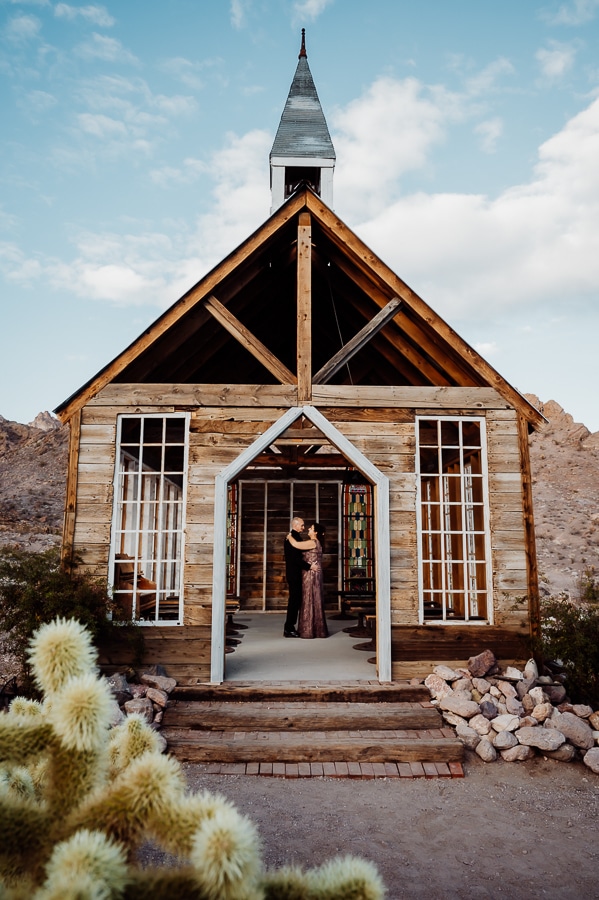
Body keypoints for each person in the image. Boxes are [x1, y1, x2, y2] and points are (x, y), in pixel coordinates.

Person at [286, 523, 329, 639]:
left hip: (310, 574)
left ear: (315, 532)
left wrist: (289, 536)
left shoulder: (312, 542)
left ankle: (309, 629)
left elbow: (295, 544)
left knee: (309, 599)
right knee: (314, 599)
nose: (308, 529)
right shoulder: (316, 542)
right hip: (314, 573)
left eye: (311, 528)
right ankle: (316, 629)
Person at [283, 516, 309, 637]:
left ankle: (290, 626)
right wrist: (309, 566)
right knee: (294, 601)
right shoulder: (292, 538)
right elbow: (295, 559)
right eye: (302, 525)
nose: (304, 527)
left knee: (295, 600)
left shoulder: (293, 537)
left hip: (294, 573)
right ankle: (289, 628)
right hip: (294, 574)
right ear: (295, 525)